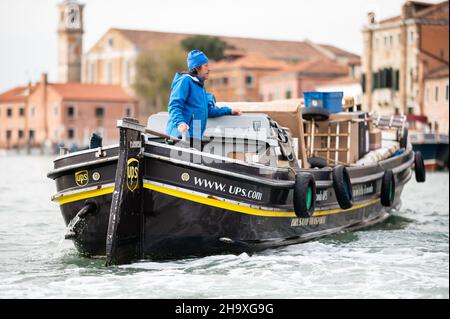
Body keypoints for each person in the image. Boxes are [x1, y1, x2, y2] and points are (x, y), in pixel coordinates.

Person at [166, 50, 241, 139]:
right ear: (197, 68)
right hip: (181, 136)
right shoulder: (185, 81)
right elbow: (174, 106)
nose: (209, 69)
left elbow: (208, 111)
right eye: (206, 66)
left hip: (196, 137)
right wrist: (180, 123)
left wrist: (229, 111)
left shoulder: (199, 86)